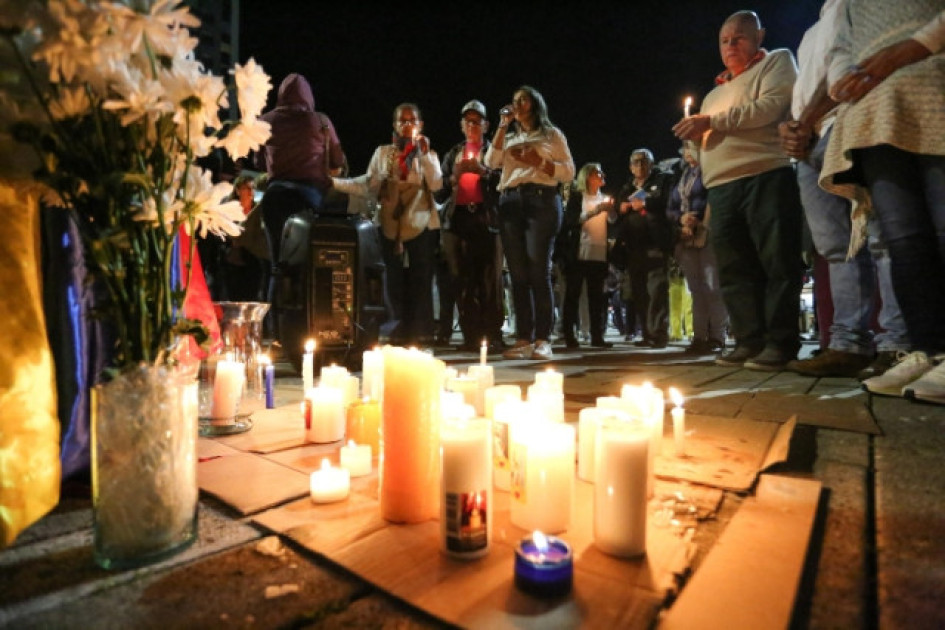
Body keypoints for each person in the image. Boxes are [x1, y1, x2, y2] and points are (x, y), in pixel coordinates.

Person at [818, 4, 945, 402]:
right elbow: (841, 46)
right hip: (875, 112)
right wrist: (845, 79)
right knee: (903, 238)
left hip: (931, 85)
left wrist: (916, 45)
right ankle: (930, 350)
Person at [778, 0, 910, 379]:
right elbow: (806, 87)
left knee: (881, 236)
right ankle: (849, 342)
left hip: (849, 122)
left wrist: (804, 120)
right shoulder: (810, 31)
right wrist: (790, 126)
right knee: (837, 247)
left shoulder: (859, 5)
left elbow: (849, 67)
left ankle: (896, 341)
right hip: (810, 143)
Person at [673, 10, 803, 371]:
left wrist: (711, 123)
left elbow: (769, 108)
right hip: (722, 186)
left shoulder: (777, 62)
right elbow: (704, 146)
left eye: (739, 37)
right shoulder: (713, 94)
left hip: (766, 173)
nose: (731, 45)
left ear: (759, 36)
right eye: (724, 41)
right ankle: (749, 340)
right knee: (734, 268)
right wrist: (696, 142)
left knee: (776, 261)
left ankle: (780, 342)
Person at [332, 103, 443, 346]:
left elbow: (436, 184)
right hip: (390, 226)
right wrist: (335, 183)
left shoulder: (428, 155)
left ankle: (421, 334)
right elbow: (368, 185)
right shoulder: (383, 154)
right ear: (394, 125)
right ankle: (394, 332)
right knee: (391, 282)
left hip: (420, 224)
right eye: (401, 121)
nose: (407, 125)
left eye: (411, 120)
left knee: (421, 281)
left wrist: (423, 154)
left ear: (420, 125)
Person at [485, 85, 575, 361]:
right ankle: (523, 338)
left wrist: (539, 162)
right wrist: (501, 126)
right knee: (518, 273)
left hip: (542, 201)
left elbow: (569, 172)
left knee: (538, 269)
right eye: (514, 101)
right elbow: (490, 161)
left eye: (523, 100)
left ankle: (543, 339)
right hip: (511, 202)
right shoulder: (509, 135)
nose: (517, 104)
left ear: (535, 105)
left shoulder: (551, 135)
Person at [435, 100, 506, 352]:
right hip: (458, 221)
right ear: (461, 125)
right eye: (468, 121)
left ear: (486, 125)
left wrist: (483, 171)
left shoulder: (495, 151)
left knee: (490, 281)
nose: (472, 126)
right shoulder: (452, 153)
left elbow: (504, 181)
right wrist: (454, 177)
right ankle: (470, 335)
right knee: (462, 280)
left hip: (487, 221)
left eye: (477, 121)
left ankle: (493, 335)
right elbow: (439, 192)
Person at [255, 73, 346, 267]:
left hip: (275, 196)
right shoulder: (321, 121)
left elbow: (259, 163)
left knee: (278, 264)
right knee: (308, 262)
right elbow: (337, 161)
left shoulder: (265, 122)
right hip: (309, 197)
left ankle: (278, 293)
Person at [666, 143, 728, 354]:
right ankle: (699, 336)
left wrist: (700, 222)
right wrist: (681, 219)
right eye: (684, 150)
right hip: (685, 237)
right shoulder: (681, 176)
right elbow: (671, 207)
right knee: (696, 289)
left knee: (713, 287)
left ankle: (717, 336)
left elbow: (714, 198)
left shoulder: (710, 171)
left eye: (692, 149)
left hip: (706, 233)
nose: (687, 154)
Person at [610, 148, 674, 349]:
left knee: (657, 290)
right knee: (639, 293)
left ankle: (659, 334)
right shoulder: (627, 186)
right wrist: (621, 207)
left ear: (651, 164)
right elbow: (618, 207)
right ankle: (646, 333)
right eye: (636, 162)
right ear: (630, 167)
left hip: (655, 243)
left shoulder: (663, 180)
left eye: (644, 161)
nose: (640, 165)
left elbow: (668, 202)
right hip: (633, 247)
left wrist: (646, 203)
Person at [559, 163, 615, 349]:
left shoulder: (604, 198)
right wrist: (594, 212)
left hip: (599, 253)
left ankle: (597, 336)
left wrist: (610, 211)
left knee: (596, 298)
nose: (602, 175)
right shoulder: (577, 197)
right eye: (598, 173)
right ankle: (569, 335)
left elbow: (613, 221)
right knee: (572, 295)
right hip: (579, 253)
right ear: (588, 177)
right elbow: (571, 221)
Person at [223, 174, 270, 302]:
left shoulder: (258, 211)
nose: (251, 192)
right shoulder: (230, 210)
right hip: (233, 260)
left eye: (252, 188)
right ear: (238, 190)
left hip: (253, 259)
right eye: (247, 188)